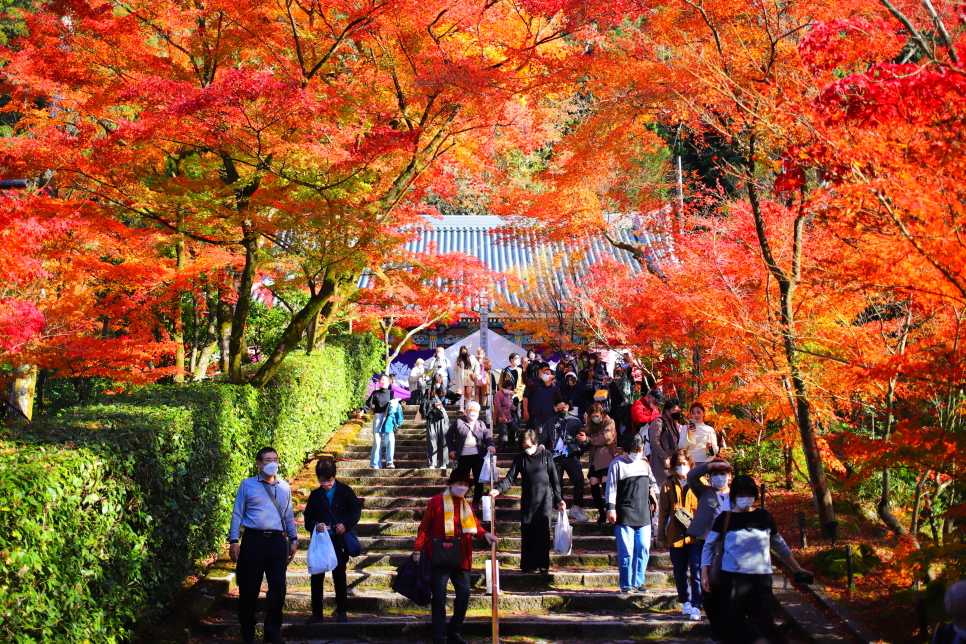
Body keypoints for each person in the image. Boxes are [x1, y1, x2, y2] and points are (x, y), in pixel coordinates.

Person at [701, 475, 810, 644]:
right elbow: (709, 546)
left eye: (749, 494)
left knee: (764, 626)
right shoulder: (725, 518)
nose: (746, 498)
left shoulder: (763, 517)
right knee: (732, 627)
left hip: (761, 580)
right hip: (732, 579)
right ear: (734, 496)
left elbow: (779, 545)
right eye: (741, 494)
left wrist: (796, 568)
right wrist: (705, 572)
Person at [414, 468, 499, 644]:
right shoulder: (436, 502)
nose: (462, 487)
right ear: (451, 484)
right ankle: (438, 634)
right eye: (459, 484)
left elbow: (476, 529)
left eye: (466, 485)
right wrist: (417, 549)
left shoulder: (466, 506)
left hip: (461, 556)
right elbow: (424, 527)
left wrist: (486, 536)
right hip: (438, 555)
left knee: (464, 593)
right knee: (439, 595)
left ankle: (454, 631)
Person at [228, 447, 299, 644]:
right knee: (249, 589)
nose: (273, 463)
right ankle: (248, 632)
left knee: (278, 588)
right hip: (253, 541)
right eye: (268, 460)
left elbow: (288, 516)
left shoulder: (284, 487)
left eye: (275, 459)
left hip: (277, 541)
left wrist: (293, 540)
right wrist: (234, 541)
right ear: (259, 464)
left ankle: (273, 632)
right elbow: (237, 514)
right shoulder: (247, 485)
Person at [491, 430, 566, 573]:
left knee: (543, 532)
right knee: (528, 531)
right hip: (528, 500)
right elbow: (510, 477)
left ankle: (543, 564)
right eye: (524, 446)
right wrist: (499, 489)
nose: (527, 449)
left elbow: (554, 479)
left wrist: (559, 499)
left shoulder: (546, 455)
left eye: (529, 446)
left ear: (536, 443)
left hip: (545, 500)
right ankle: (528, 564)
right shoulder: (520, 458)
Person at [303, 457, 362, 624]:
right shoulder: (315, 495)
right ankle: (317, 611)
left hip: (338, 540)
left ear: (334, 477)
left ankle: (342, 610)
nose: (326, 484)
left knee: (339, 575)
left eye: (329, 481)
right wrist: (316, 526)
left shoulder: (345, 491)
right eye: (322, 481)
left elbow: (356, 510)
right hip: (321, 541)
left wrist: (346, 524)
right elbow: (308, 518)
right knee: (317, 575)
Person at [687, 458, 735, 644]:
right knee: (708, 588)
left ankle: (728, 628)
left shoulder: (736, 495)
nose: (719, 477)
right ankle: (716, 628)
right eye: (716, 474)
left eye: (723, 474)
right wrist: (710, 466)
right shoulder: (705, 491)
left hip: (730, 546)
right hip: (707, 544)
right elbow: (691, 477)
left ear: (730, 476)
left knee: (728, 588)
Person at [605, 434, 659, 594]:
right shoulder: (617, 464)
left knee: (643, 548)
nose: (638, 452)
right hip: (624, 513)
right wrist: (611, 508)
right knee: (626, 550)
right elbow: (611, 488)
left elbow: (653, 484)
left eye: (640, 449)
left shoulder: (644, 464)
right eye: (635, 450)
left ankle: (639, 581)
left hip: (643, 513)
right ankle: (626, 584)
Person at [657, 448, 702, 622]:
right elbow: (663, 512)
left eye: (684, 464)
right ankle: (686, 601)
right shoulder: (668, 484)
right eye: (678, 465)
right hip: (675, 534)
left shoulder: (700, 483)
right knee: (679, 571)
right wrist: (661, 536)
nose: (681, 467)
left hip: (696, 536)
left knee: (697, 571)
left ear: (690, 464)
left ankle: (697, 604)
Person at [539, 397, 590, 523]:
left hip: (571, 454)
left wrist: (583, 439)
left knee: (579, 481)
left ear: (568, 407)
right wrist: (541, 446)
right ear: (555, 408)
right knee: (556, 484)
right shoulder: (550, 423)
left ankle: (576, 508)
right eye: (559, 408)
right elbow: (543, 439)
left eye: (564, 408)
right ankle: (559, 509)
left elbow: (582, 438)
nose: (562, 410)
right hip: (555, 456)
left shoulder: (575, 421)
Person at [445, 400, 496, 508]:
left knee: (479, 480)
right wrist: (451, 449)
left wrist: (491, 446)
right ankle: (461, 500)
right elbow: (448, 436)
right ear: (467, 411)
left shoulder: (480, 424)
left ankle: (476, 501)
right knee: (462, 479)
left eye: (477, 411)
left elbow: (488, 437)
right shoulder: (459, 422)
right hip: (463, 457)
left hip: (478, 456)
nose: (474, 413)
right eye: (472, 410)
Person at [584, 402, 619, 527]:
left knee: (606, 485)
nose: (595, 418)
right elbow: (587, 436)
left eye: (597, 415)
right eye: (592, 416)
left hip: (607, 457)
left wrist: (591, 440)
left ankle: (611, 511)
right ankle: (601, 513)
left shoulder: (609, 422)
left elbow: (607, 438)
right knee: (593, 483)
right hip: (594, 458)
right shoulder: (591, 425)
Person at [361, 374, 395, 469]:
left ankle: (389, 462)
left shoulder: (391, 393)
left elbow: (395, 405)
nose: (382, 381)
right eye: (381, 380)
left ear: (389, 382)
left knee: (390, 440)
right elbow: (368, 404)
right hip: (378, 417)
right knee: (377, 440)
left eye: (385, 380)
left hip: (388, 418)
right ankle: (375, 463)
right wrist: (362, 411)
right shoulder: (375, 393)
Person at [649, 399, 684, 486]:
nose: (677, 413)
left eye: (679, 411)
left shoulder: (673, 424)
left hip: (673, 464)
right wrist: (664, 457)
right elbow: (654, 441)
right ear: (668, 411)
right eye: (675, 411)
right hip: (661, 464)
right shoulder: (658, 422)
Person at [422, 374, 451, 470]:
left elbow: (450, 400)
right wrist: (433, 404)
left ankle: (444, 463)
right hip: (432, 416)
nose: (438, 384)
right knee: (431, 439)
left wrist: (458, 395)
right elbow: (423, 403)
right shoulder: (429, 391)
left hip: (442, 416)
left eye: (439, 382)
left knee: (444, 439)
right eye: (436, 382)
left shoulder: (445, 391)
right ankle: (432, 462)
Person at [523, 363, 561, 430]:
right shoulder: (537, 386)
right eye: (544, 373)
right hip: (538, 416)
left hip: (551, 415)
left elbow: (559, 401)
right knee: (539, 435)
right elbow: (526, 381)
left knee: (550, 434)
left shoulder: (555, 389)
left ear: (552, 376)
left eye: (547, 374)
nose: (544, 375)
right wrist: (524, 370)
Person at [493, 376, 518, 452]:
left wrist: (512, 407)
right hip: (501, 417)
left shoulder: (508, 394)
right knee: (504, 435)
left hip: (509, 416)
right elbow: (497, 406)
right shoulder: (499, 394)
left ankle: (510, 445)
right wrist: (501, 416)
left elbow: (509, 403)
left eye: (510, 389)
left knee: (514, 428)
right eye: (508, 388)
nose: (509, 390)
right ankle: (501, 450)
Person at [500, 353, 527, 422]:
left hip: (517, 395)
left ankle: (516, 428)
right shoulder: (505, 371)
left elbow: (523, 383)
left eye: (519, 358)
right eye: (516, 358)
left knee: (517, 413)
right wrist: (506, 391)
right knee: (507, 413)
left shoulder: (521, 370)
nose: (518, 360)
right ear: (511, 360)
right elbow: (500, 383)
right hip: (506, 395)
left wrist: (516, 392)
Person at [609, 365, 635, 435]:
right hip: (614, 407)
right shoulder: (611, 383)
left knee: (625, 425)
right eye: (616, 370)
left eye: (620, 370)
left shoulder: (624, 381)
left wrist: (630, 367)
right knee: (616, 426)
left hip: (624, 406)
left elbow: (627, 375)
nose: (618, 371)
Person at [453, 346, 478, 412]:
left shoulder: (471, 357)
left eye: (465, 351)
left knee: (468, 393)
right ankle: (461, 408)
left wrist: (475, 374)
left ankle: (467, 408)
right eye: (462, 351)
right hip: (461, 375)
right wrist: (458, 364)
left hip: (469, 375)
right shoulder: (458, 358)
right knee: (461, 392)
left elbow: (477, 366)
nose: (464, 352)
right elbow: (455, 369)